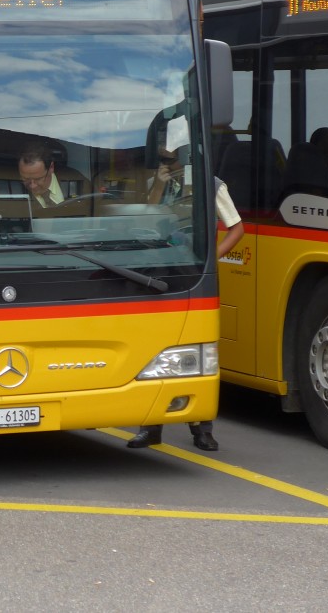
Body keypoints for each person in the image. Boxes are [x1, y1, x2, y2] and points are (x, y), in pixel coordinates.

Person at [128, 176, 244, 451]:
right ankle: (150, 425)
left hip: (193, 275)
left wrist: (209, 259)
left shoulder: (212, 184)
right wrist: (157, 184)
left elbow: (237, 228)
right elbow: (142, 219)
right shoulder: (156, 179)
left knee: (197, 346)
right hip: (154, 272)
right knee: (152, 347)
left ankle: (202, 428)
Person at [17, 142, 65, 207]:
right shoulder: (12, 190)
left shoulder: (74, 182)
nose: (32, 186)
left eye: (38, 179)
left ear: (51, 167)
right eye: (25, 179)